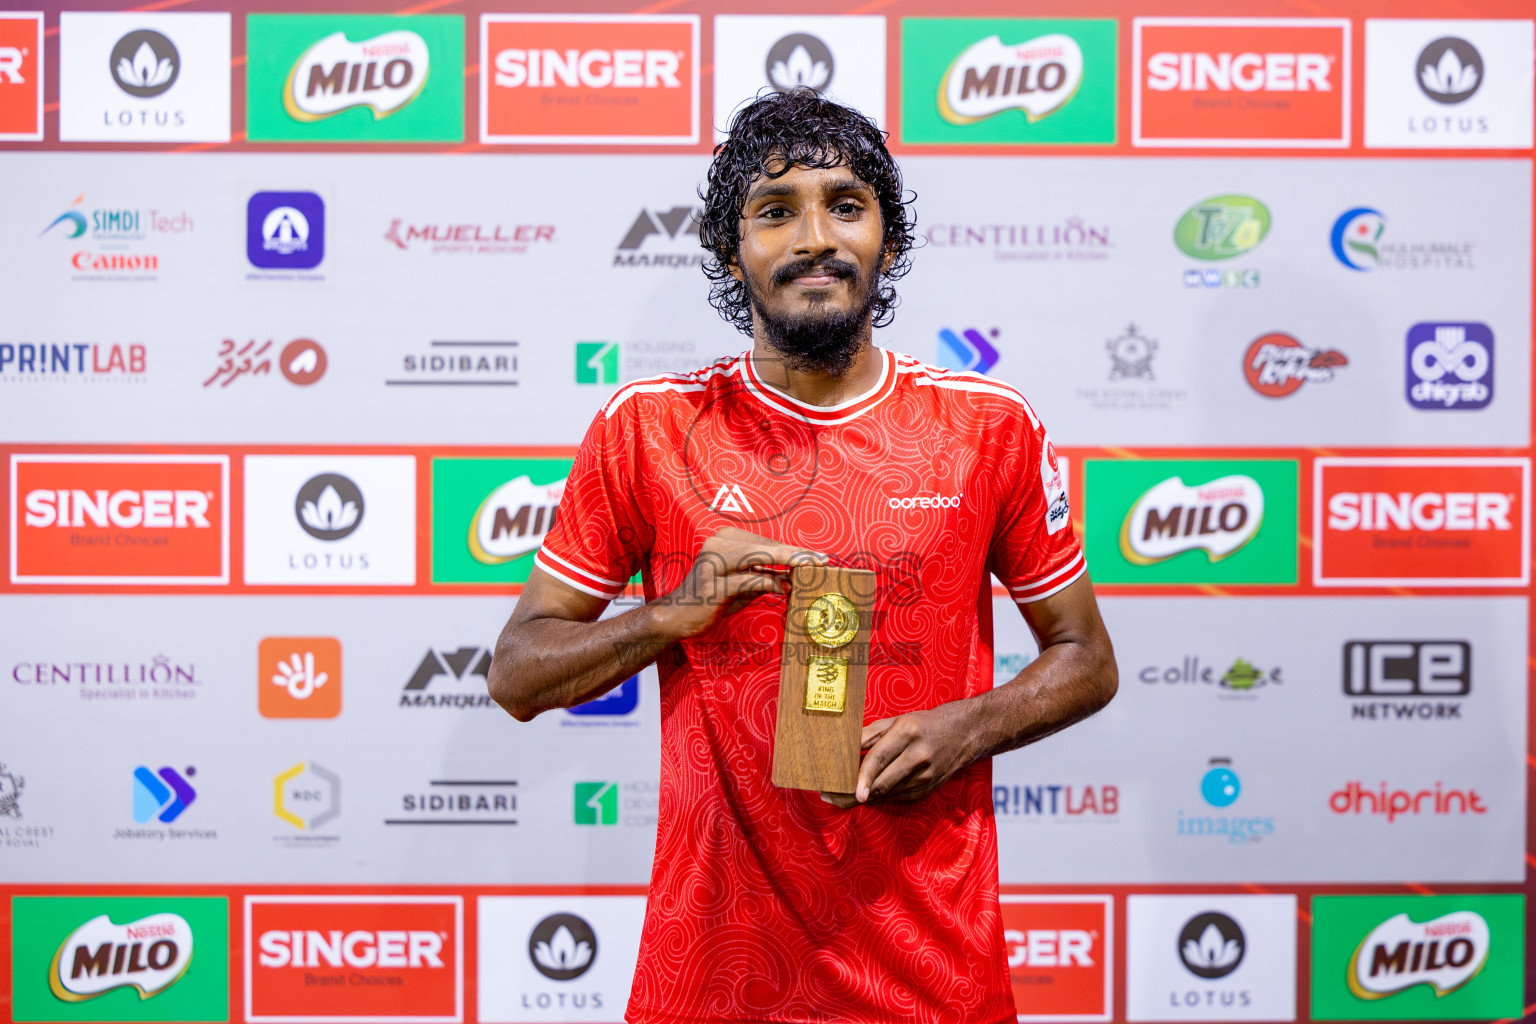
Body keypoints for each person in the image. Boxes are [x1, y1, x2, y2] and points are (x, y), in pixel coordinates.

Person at [488, 89, 1117, 1023]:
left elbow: (1087, 660)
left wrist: (967, 727)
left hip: (932, 974)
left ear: (888, 246)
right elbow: (516, 676)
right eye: (775, 211)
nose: (815, 236)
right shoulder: (651, 429)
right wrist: (667, 615)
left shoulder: (989, 428)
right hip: (713, 978)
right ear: (731, 251)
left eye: (846, 205)